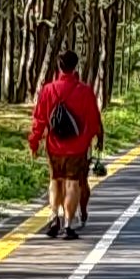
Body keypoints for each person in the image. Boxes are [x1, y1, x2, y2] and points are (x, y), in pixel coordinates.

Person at [29, 49, 102, 240]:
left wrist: (34, 142)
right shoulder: (85, 91)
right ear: (75, 66)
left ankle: (54, 217)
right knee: (72, 185)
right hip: (77, 148)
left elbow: (39, 120)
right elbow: (93, 121)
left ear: (59, 67)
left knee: (55, 182)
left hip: (54, 146)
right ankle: (69, 225)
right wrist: (90, 140)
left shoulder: (48, 90)